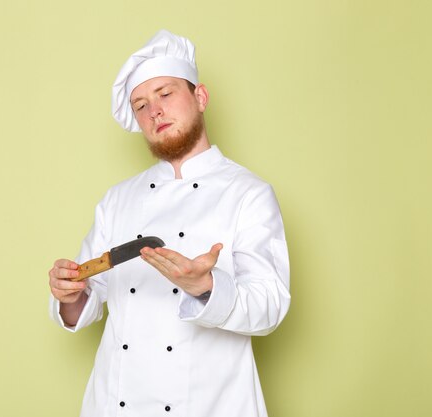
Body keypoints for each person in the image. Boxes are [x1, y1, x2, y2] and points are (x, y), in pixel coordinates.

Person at [48, 29, 291, 417]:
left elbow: (270, 307)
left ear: (200, 97)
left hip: (211, 405)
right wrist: (71, 294)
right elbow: (88, 300)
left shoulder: (248, 193)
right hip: (116, 405)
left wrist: (207, 287)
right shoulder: (118, 199)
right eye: (140, 105)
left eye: (165, 93)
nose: (154, 111)